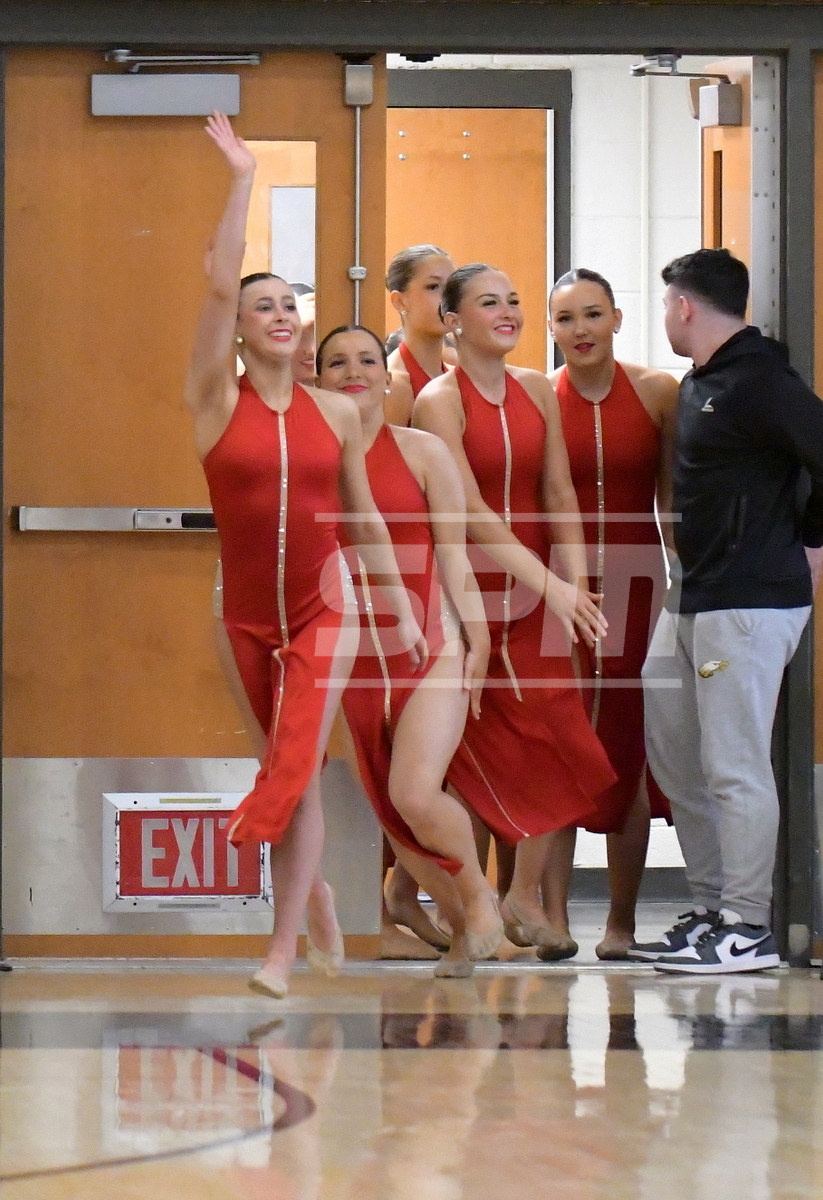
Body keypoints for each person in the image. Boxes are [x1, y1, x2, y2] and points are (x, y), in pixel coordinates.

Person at [187, 113, 426, 999]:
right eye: (265, 307)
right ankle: (313, 895)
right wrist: (243, 176)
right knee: (293, 777)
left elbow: (365, 519)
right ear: (240, 330)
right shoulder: (216, 401)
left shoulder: (337, 412)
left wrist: (400, 609)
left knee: (295, 766)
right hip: (248, 617)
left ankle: (280, 954)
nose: (281, 316)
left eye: (291, 304)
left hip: (327, 607)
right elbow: (219, 284)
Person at [640, 248, 823, 974]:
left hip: (748, 600)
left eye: (666, 305)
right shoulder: (702, 381)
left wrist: (812, 536)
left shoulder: (761, 378)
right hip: (694, 594)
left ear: (684, 307)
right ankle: (711, 910)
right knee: (679, 757)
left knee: (734, 763)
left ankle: (747, 924)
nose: (666, 316)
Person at [413, 263, 616, 959]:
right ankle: (449, 902)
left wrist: (577, 585)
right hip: (469, 592)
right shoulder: (439, 401)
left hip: (543, 592)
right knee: (473, 754)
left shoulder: (536, 389)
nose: (507, 312)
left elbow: (559, 492)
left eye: (514, 301)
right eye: (488, 302)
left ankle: (521, 893)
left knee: (561, 738)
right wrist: (551, 586)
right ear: (452, 321)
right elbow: (469, 512)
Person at [316, 323, 503, 976]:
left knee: (417, 794)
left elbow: (454, 557)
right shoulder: (308, 465)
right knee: (396, 817)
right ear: (317, 380)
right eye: (337, 363)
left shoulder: (423, 453)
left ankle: (478, 898)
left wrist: (479, 639)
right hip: (350, 662)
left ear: (387, 375)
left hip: (430, 649)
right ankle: (462, 927)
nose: (354, 372)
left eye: (367, 360)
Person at [546, 268, 678, 960]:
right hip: (558, 589)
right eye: (566, 318)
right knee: (560, 743)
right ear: (551, 328)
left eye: (593, 314)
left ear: (618, 318)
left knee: (627, 747)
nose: (581, 329)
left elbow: (672, 502)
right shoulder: (539, 398)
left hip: (638, 585)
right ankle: (552, 919)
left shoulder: (658, 392)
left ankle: (621, 924)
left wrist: (685, 586)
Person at [385, 245, 457, 426]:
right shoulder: (393, 384)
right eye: (433, 287)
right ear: (399, 301)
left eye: (452, 288)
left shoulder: (456, 375)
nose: (448, 298)